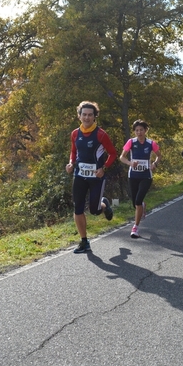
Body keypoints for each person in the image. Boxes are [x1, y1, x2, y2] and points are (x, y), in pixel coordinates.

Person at [65, 101, 118, 253]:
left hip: (96, 177)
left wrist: (104, 168)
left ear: (95, 117)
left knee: (94, 211)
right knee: (78, 208)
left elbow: (113, 153)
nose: (87, 118)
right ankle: (84, 242)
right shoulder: (75, 133)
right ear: (79, 116)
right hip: (80, 175)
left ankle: (104, 204)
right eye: (84, 114)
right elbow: (74, 152)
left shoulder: (101, 134)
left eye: (90, 115)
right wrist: (70, 163)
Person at [119, 119, 161, 239]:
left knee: (137, 201)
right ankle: (142, 205)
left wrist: (154, 164)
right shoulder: (131, 142)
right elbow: (122, 157)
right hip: (133, 175)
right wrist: (130, 163)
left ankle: (135, 228)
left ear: (145, 130)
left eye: (141, 130)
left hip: (146, 176)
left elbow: (159, 156)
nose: (139, 132)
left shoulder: (151, 143)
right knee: (135, 203)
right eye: (137, 130)